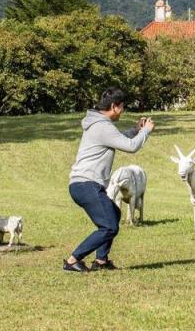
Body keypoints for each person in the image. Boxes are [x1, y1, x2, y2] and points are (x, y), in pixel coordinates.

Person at [63, 88, 154, 273]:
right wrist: (145, 132)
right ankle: (72, 260)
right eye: (122, 107)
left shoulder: (98, 124)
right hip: (86, 184)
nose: (122, 111)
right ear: (114, 106)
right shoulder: (102, 126)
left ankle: (101, 261)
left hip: (82, 184)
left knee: (113, 214)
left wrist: (136, 130)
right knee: (109, 226)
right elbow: (131, 147)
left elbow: (119, 139)